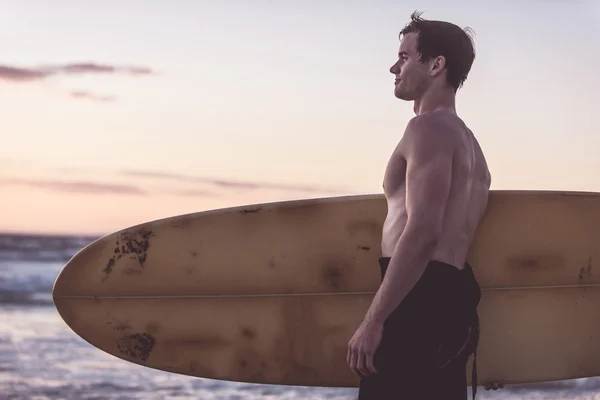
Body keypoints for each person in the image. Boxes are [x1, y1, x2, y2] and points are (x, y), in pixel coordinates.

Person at [347, 11, 492, 400]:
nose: (394, 66)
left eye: (405, 56)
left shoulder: (427, 129)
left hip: (414, 300)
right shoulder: (470, 145)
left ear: (436, 65)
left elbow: (424, 229)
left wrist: (375, 320)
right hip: (451, 307)